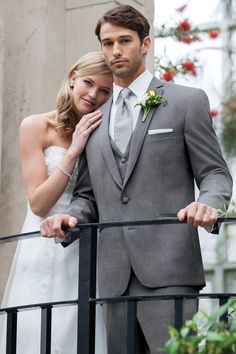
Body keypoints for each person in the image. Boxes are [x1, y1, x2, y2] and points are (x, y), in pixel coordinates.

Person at [40, 5, 233, 354]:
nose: (115, 51)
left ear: (145, 44)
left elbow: (215, 173)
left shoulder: (186, 102)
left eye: (124, 41)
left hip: (170, 271)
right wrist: (71, 216)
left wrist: (208, 204)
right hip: (113, 277)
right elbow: (87, 196)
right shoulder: (92, 120)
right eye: (107, 43)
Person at [0, 51, 113, 354]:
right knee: (33, 331)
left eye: (105, 90)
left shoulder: (103, 131)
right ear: (73, 77)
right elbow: (38, 203)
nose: (94, 95)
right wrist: (75, 148)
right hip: (41, 243)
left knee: (80, 332)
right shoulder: (36, 126)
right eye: (88, 83)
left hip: (84, 244)